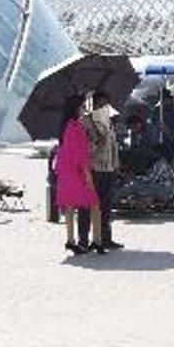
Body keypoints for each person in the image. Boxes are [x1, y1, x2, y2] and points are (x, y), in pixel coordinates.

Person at [55, 95, 106, 255]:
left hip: (66, 171)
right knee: (95, 205)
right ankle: (97, 241)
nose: (84, 110)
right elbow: (80, 154)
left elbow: (70, 151)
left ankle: (71, 240)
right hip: (76, 172)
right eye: (83, 107)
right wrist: (88, 176)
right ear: (75, 108)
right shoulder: (75, 127)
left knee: (70, 206)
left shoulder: (67, 127)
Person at [80, 91, 123, 251]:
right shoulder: (87, 121)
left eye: (106, 103)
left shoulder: (109, 122)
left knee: (106, 205)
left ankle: (105, 238)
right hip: (94, 169)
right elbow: (85, 147)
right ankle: (84, 240)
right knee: (88, 206)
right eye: (101, 103)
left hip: (109, 169)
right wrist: (98, 140)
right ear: (94, 103)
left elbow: (114, 146)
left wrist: (116, 165)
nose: (104, 106)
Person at [153, 89, 174, 175]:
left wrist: (167, 130)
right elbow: (153, 126)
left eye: (166, 99)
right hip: (160, 147)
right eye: (162, 99)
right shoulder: (157, 111)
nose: (164, 101)